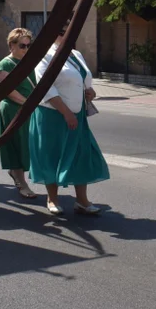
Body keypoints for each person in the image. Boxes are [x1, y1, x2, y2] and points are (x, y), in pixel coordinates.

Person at [30, 19, 107, 216]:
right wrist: (66, 113)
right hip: (53, 115)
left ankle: (82, 201)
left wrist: (90, 92)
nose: (66, 36)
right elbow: (46, 87)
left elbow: (82, 80)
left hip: (77, 114)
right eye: (62, 32)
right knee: (52, 156)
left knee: (81, 155)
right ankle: (52, 199)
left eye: (69, 32)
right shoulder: (45, 56)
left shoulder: (75, 54)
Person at [0, 28, 38, 199]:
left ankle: (18, 174)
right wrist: (27, 103)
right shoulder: (5, 64)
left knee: (28, 145)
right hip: (14, 109)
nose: (26, 49)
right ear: (11, 45)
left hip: (30, 108)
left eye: (28, 45)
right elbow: (8, 90)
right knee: (17, 145)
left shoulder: (30, 62)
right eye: (22, 45)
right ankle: (21, 181)